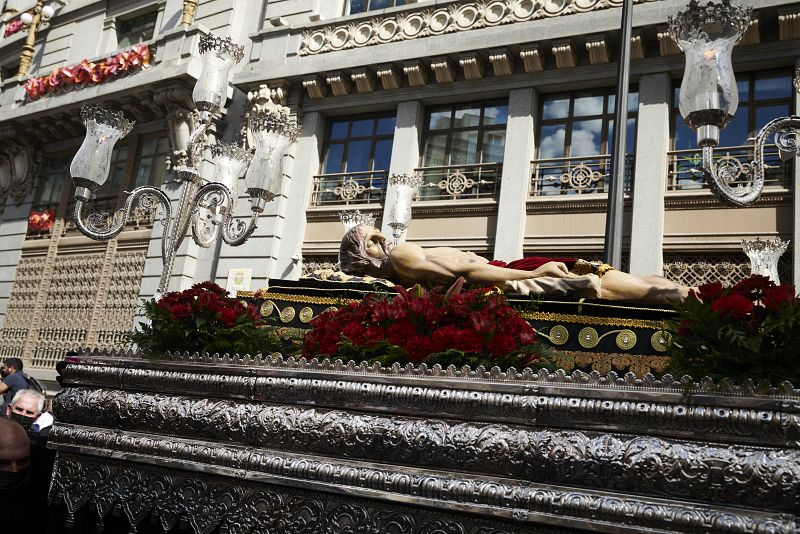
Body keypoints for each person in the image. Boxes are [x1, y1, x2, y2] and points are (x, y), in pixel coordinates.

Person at [339, 225, 692, 304]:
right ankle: (705, 303)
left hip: (510, 272)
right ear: (366, 255)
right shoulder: (403, 257)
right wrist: (532, 273)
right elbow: (467, 272)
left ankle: (699, 299)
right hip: (513, 277)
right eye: (373, 239)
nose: (384, 236)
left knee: (646, 283)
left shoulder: (403, 268)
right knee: (645, 289)